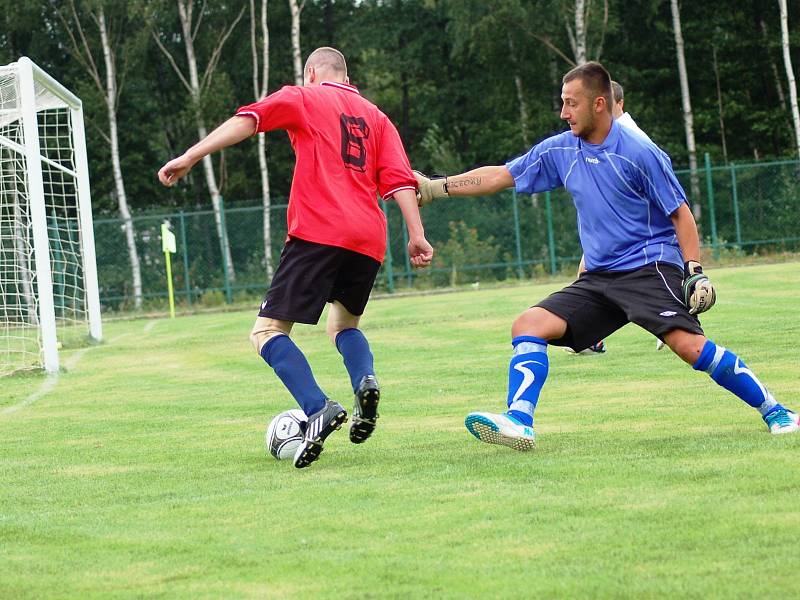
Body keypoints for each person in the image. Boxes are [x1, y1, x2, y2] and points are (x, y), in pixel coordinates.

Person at [415, 61, 798, 450]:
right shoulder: (561, 148)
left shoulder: (639, 152)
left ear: (599, 104)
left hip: (649, 268)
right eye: (562, 103)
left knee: (689, 347)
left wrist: (695, 271)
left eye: (571, 104)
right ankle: (518, 422)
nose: (564, 113)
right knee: (528, 324)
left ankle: (778, 411)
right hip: (599, 278)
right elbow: (501, 175)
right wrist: (437, 188)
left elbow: (681, 213)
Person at [158, 47, 433, 468]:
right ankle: (365, 380)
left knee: (266, 332)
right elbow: (398, 180)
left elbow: (248, 120)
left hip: (319, 230)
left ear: (312, 72)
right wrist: (416, 235)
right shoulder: (377, 116)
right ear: (347, 75)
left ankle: (318, 407)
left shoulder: (304, 96)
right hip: (368, 236)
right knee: (343, 325)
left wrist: (191, 155)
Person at [568, 80, 654, 355]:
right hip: (609, 228)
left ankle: (674, 321)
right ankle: (591, 338)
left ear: (616, 103)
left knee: (624, 284)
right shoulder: (602, 134)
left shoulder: (630, 136)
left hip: (634, 230)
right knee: (586, 274)